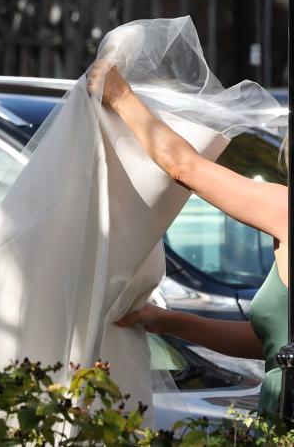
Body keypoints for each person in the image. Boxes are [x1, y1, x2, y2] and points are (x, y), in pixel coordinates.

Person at [94, 61, 290, 414]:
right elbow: (276, 342)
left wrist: (121, 96)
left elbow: (185, 167)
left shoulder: (285, 211)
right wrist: (171, 322)